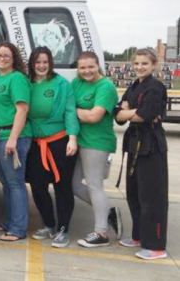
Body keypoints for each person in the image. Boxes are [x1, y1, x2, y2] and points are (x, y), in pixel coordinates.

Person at [114, 49, 168, 260]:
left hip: (151, 147)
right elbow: (118, 115)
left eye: (144, 63)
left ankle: (155, 245)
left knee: (151, 198)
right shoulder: (134, 86)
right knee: (134, 194)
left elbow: (144, 116)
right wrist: (130, 112)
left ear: (153, 65)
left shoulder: (156, 88)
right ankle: (138, 236)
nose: (140, 67)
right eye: (136, 63)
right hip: (134, 144)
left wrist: (132, 112)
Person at [25, 47, 79, 248]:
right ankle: (48, 224)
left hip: (59, 142)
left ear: (50, 63)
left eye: (45, 62)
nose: (41, 66)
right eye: (37, 62)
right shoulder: (26, 84)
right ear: (32, 64)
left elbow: (70, 111)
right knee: (37, 186)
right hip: (36, 143)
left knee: (62, 186)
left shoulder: (61, 84)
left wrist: (72, 138)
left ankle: (63, 229)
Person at [71, 51, 121, 247]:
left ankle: (101, 233)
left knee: (94, 185)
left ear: (98, 65)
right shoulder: (77, 83)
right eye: (82, 67)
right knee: (73, 185)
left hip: (97, 142)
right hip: (80, 140)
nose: (87, 71)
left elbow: (94, 116)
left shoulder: (106, 87)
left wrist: (73, 111)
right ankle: (107, 212)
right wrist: (81, 113)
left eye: (91, 66)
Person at [0, 42, 31, 242]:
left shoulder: (17, 79)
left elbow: (22, 109)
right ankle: (9, 221)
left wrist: (13, 138)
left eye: (6, 55)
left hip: (12, 137)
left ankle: (18, 229)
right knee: (5, 182)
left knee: (15, 182)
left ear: (14, 59)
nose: (1, 58)